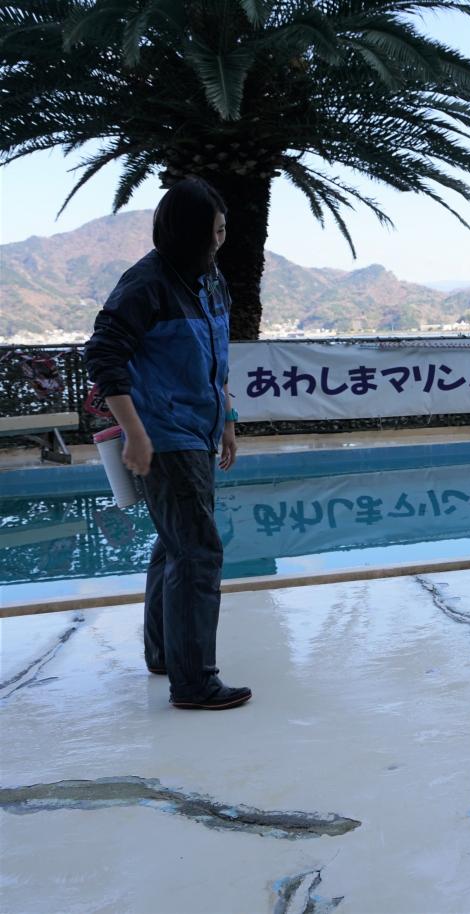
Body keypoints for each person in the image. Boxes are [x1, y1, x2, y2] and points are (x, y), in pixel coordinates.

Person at [84, 178, 251, 710]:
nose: (221, 239)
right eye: (214, 230)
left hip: (198, 430)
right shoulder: (147, 283)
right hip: (164, 433)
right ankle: (194, 682)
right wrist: (135, 433)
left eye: (223, 229)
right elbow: (103, 355)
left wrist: (227, 419)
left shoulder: (210, 279)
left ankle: (165, 655)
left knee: (174, 542)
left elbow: (215, 357)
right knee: (198, 551)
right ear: (188, 231)